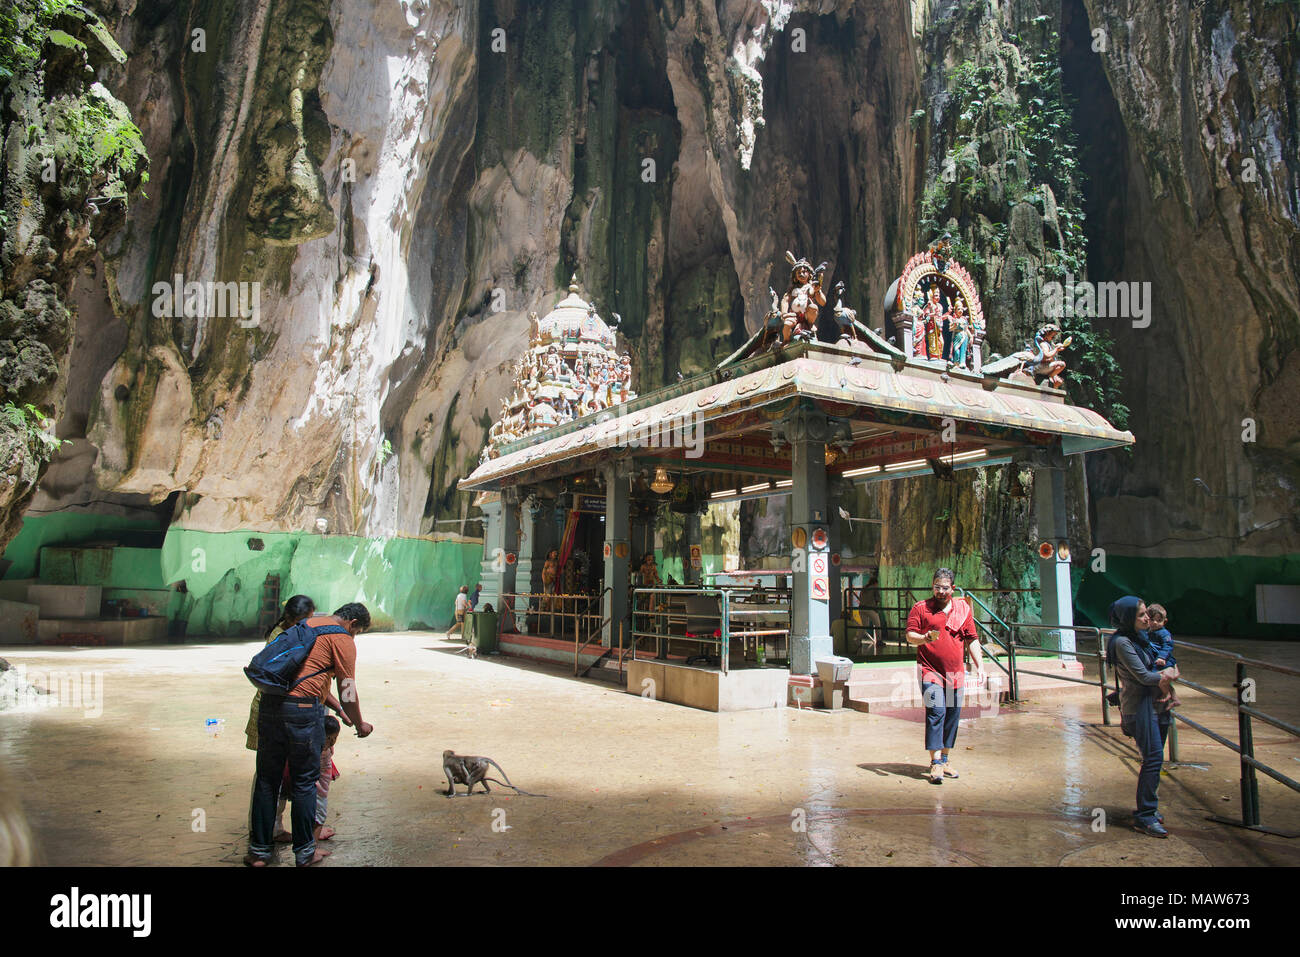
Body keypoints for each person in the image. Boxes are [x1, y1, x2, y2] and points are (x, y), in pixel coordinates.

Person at [245, 603, 373, 867]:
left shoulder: (305, 626)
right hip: (303, 712)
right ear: (352, 623)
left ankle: (258, 853)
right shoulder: (341, 639)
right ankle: (305, 853)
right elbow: (347, 688)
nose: (355, 637)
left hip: (271, 705)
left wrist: (338, 710)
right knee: (305, 782)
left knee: (268, 780)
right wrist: (360, 724)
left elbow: (303, 675)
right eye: (357, 632)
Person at [1106, 596, 1179, 838]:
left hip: (1156, 705)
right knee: (1153, 758)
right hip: (1139, 708)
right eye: (1140, 615)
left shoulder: (1143, 638)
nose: (1147, 618)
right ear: (1127, 618)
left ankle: (1150, 808)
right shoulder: (1123, 643)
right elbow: (1144, 677)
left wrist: (1168, 671)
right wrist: (1168, 672)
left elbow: (1162, 664)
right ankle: (1145, 815)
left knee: (1155, 759)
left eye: (1146, 613)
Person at [906, 568, 978, 784]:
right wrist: (925, 638)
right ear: (932, 586)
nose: (940, 591)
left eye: (945, 588)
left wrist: (980, 666)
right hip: (929, 671)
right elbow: (910, 636)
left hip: (955, 673)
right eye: (937, 587)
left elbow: (972, 639)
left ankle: (945, 758)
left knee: (953, 715)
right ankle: (935, 763)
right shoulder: (921, 608)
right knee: (936, 712)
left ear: (952, 589)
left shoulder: (962, 609)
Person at [275, 714, 341, 844]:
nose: (332, 742)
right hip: (313, 787)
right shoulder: (314, 750)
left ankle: (309, 845)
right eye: (329, 738)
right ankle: (311, 848)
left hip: (320, 787)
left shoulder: (324, 748)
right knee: (317, 816)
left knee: (316, 815)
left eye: (335, 738)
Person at [1147, 603, 1182, 707]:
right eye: (1151, 619)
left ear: (1164, 621)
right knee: (1164, 681)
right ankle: (1175, 698)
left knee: (1162, 680)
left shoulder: (1163, 633)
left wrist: (1162, 657)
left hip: (1164, 661)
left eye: (1158, 620)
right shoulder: (1148, 632)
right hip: (1157, 660)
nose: (1154, 623)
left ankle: (1166, 694)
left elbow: (1168, 646)